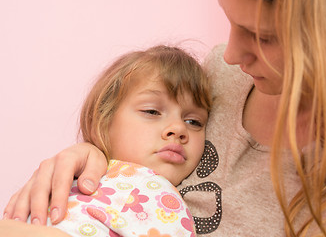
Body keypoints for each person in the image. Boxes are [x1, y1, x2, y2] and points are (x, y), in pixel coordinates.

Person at [3, 0, 326, 236]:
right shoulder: (219, 77)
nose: (230, 54)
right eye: (230, 23)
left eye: (262, 37)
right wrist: (98, 155)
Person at [1, 45, 212, 236]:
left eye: (194, 122)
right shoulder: (72, 169)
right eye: (152, 111)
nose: (178, 128)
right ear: (103, 119)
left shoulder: (165, 198)